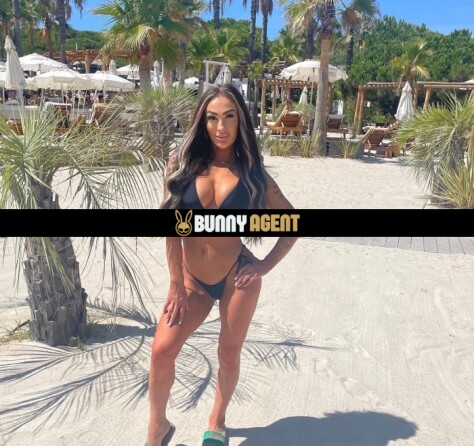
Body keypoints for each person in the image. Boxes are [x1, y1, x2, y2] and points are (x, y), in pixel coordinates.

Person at [146, 84, 298, 446]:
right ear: (202, 121)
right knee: (162, 351)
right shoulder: (181, 164)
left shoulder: (252, 174)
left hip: (236, 278)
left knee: (228, 354)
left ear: (241, 120)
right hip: (191, 281)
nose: (221, 127)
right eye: (212, 118)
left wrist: (264, 266)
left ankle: (217, 419)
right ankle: (157, 427)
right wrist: (175, 284)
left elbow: (291, 222)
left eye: (229, 117)